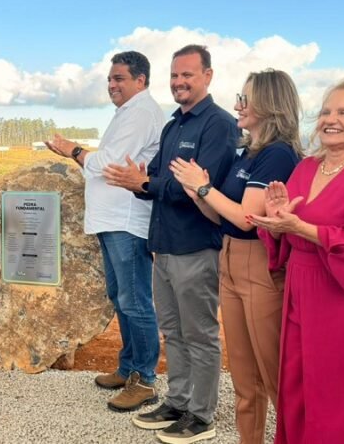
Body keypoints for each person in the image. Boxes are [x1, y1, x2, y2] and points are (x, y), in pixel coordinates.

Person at [247, 78, 344, 444]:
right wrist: (278, 221)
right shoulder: (306, 167)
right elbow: (282, 236)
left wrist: (302, 227)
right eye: (326, 111)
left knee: (341, 391)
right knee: (299, 385)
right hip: (302, 288)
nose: (331, 119)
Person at [104, 45, 238, 443]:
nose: (179, 82)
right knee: (174, 332)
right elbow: (161, 180)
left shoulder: (218, 125)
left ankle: (201, 416)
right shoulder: (174, 124)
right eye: (175, 75)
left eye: (188, 75)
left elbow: (196, 189)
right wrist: (142, 182)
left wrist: (146, 183)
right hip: (163, 246)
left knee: (200, 335)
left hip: (196, 248)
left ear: (208, 76)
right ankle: (178, 401)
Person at [170, 69, 302, 444]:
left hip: (258, 266)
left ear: (269, 104)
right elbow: (221, 215)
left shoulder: (278, 155)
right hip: (230, 262)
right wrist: (199, 194)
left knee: (275, 378)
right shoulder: (249, 153)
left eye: (245, 99)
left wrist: (205, 187)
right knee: (244, 380)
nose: (237, 106)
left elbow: (248, 219)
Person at [45, 51, 163, 412]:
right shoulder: (127, 112)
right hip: (112, 221)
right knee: (120, 296)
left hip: (127, 221)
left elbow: (109, 164)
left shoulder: (142, 112)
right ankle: (128, 366)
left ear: (140, 80)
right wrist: (85, 156)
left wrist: (73, 150)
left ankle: (144, 378)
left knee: (135, 300)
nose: (112, 85)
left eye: (120, 78)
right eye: (110, 79)